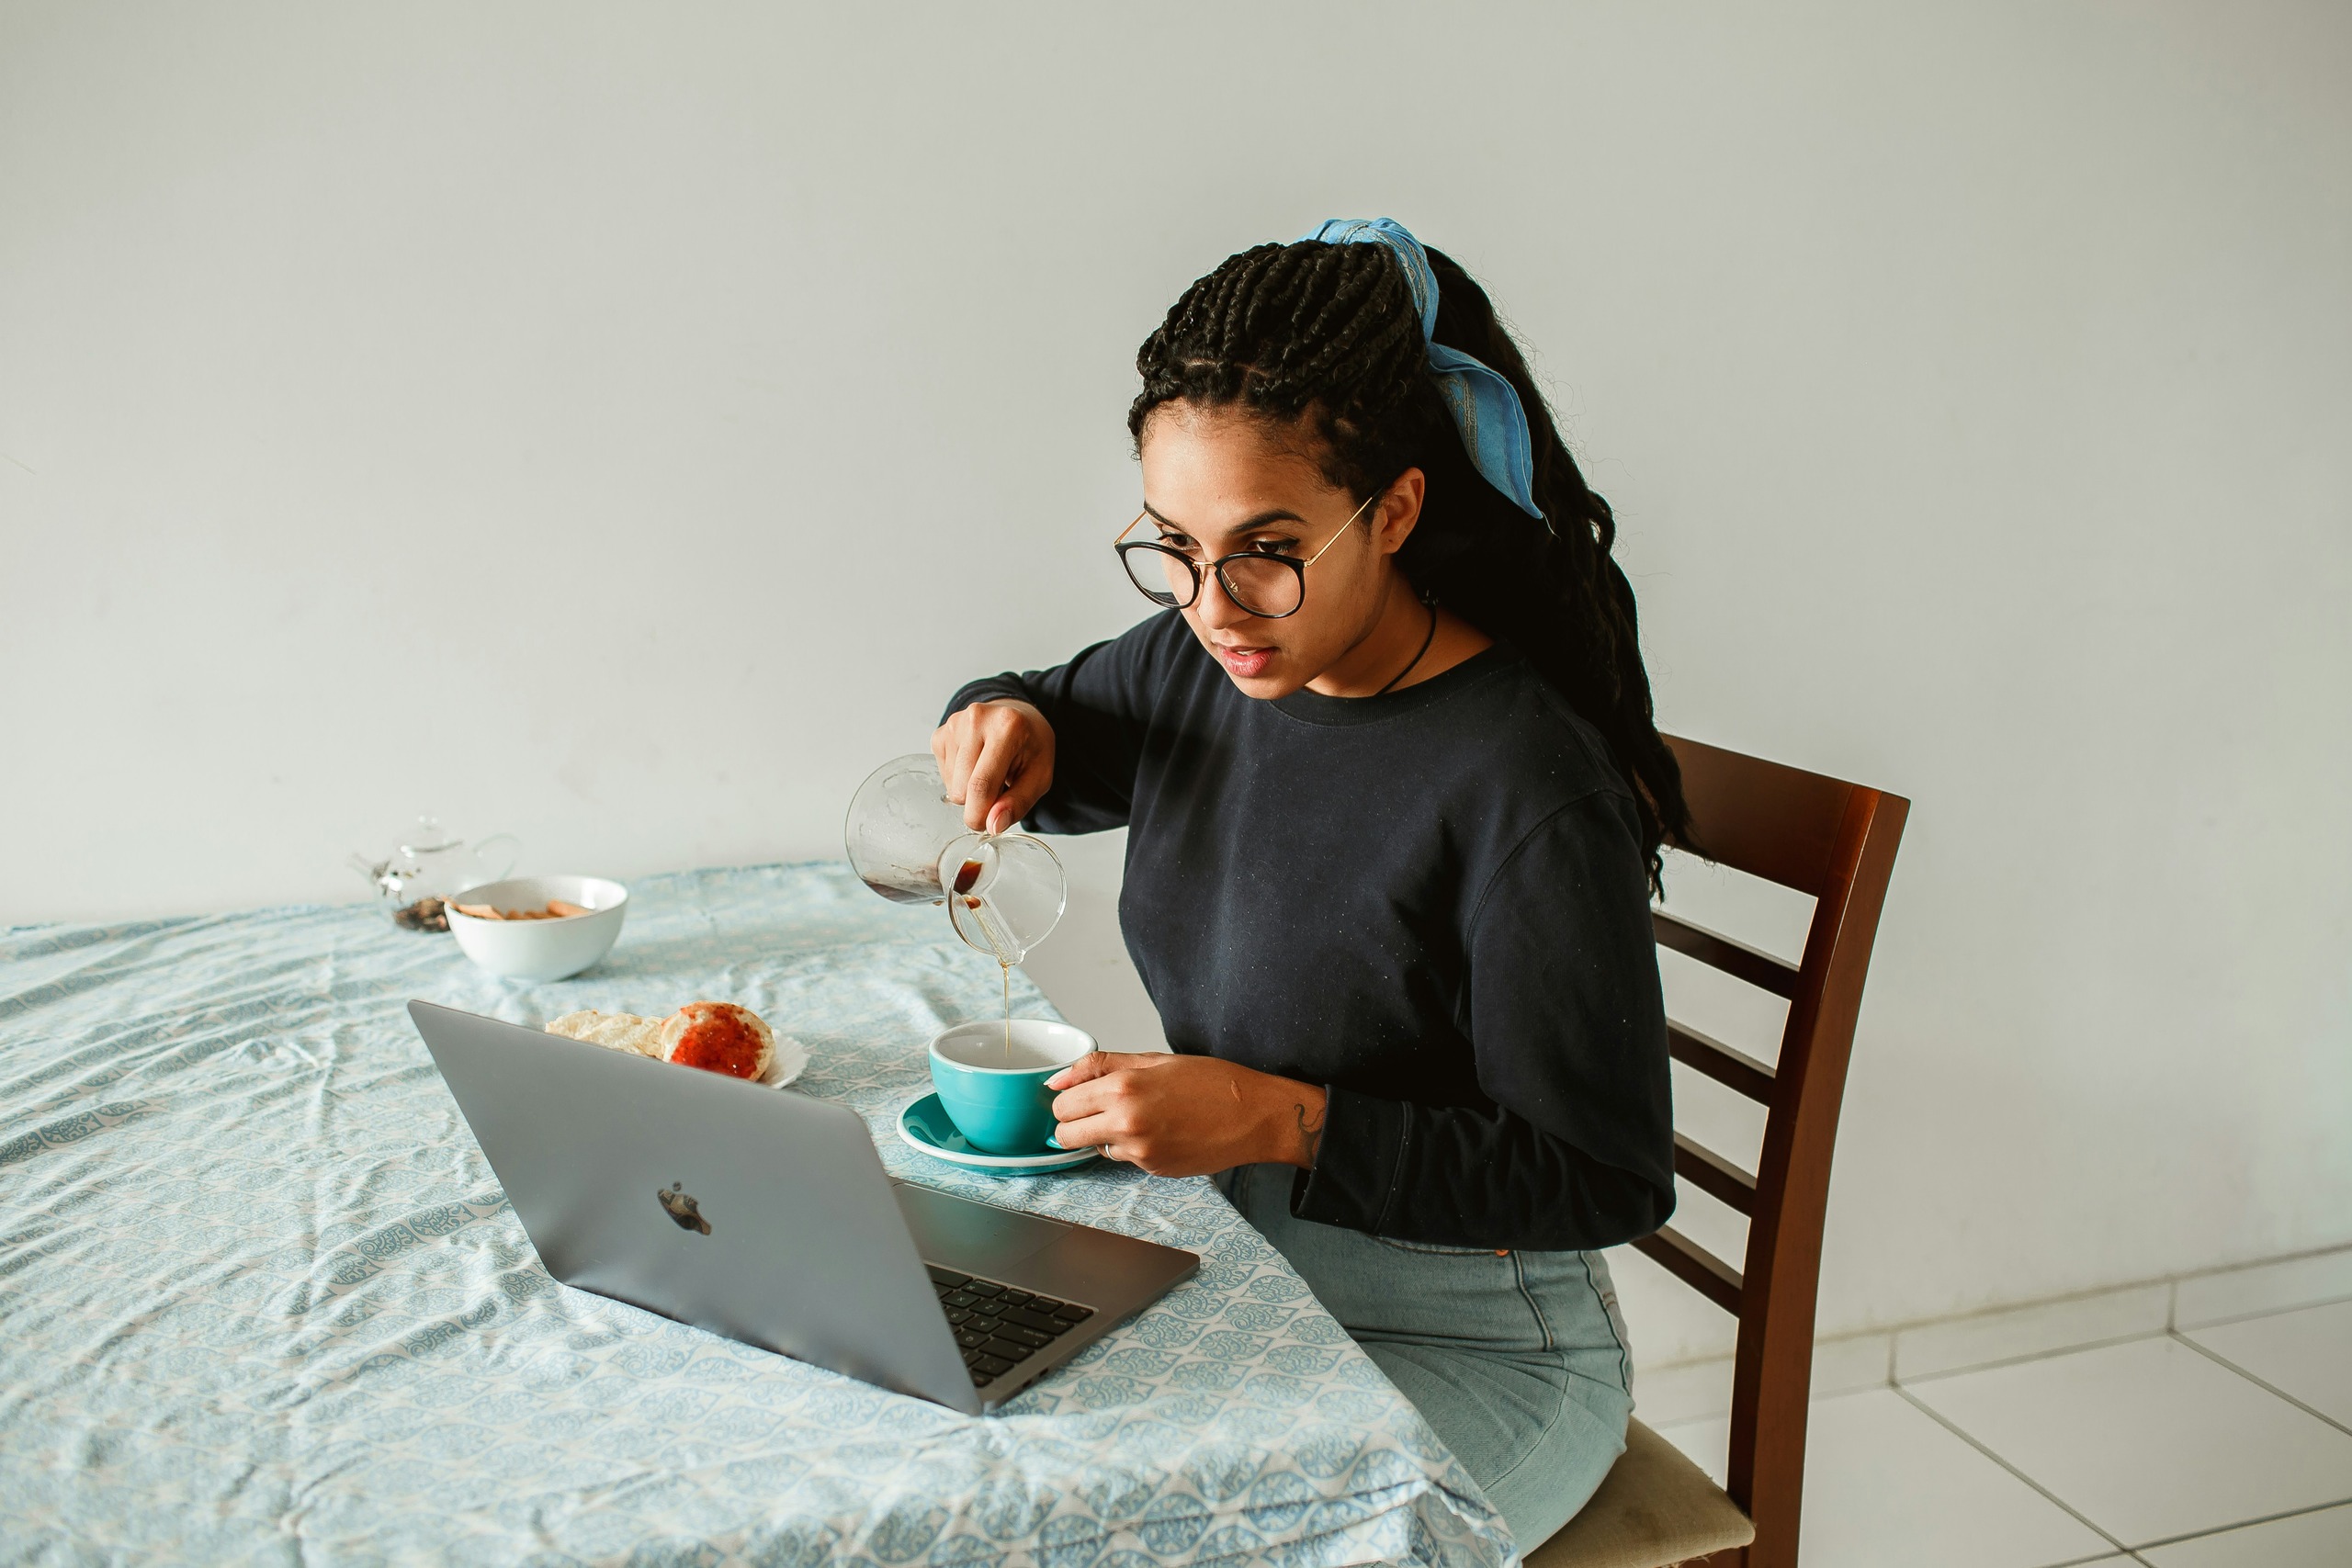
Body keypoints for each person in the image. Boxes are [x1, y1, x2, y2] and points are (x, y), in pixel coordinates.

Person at [932, 218, 1685, 1547]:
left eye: (1268, 547)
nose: (1216, 604)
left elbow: (1600, 1177)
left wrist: (1282, 1120)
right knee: (976, 1480)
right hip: (1242, 1274)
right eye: (1175, 546)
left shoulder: (1521, 782)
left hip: (1484, 1340)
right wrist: (1005, 716)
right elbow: (1056, 717)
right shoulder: (1202, 666)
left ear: (1393, 510)